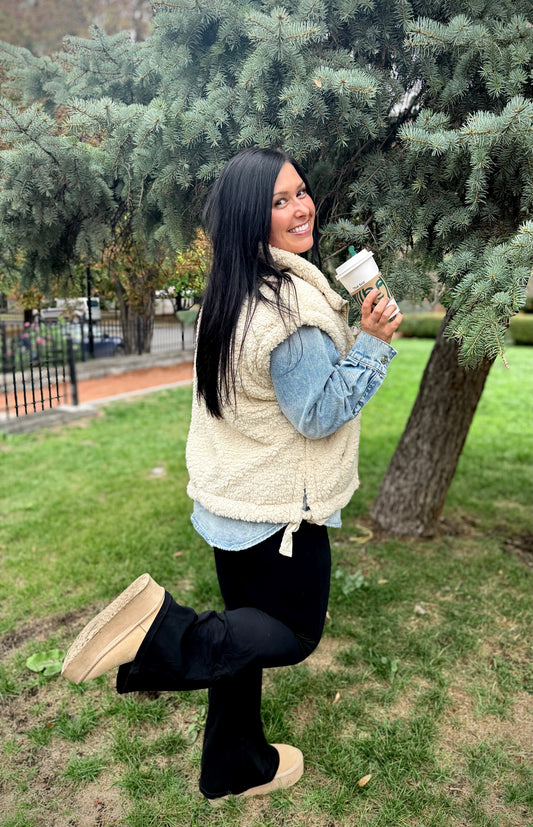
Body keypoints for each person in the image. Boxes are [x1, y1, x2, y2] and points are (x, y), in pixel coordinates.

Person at [62, 147, 402, 803]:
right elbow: (318, 414)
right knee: (292, 635)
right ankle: (157, 633)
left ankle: (234, 764)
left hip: (230, 504)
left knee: (242, 637)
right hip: (277, 512)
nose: (301, 207)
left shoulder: (233, 290)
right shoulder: (288, 311)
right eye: (279, 200)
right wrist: (373, 344)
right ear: (250, 215)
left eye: (300, 191)